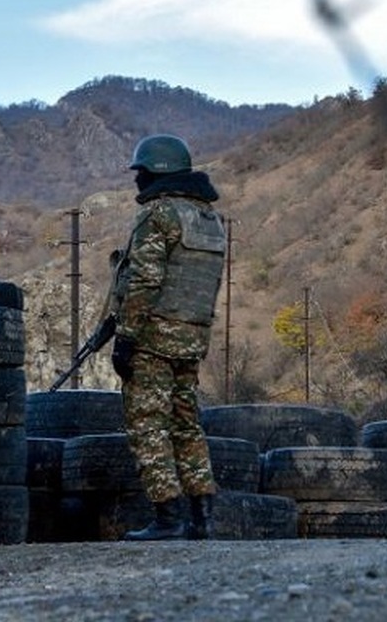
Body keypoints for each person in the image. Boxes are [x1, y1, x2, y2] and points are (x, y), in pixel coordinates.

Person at [111, 134, 227, 540]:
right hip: (191, 338)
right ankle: (202, 518)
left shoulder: (159, 214)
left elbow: (145, 279)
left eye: (139, 172)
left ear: (155, 171)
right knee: (187, 426)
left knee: (148, 425)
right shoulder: (210, 219)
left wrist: (125, 336)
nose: (136, 181)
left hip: (153, 338)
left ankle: (167, 518)